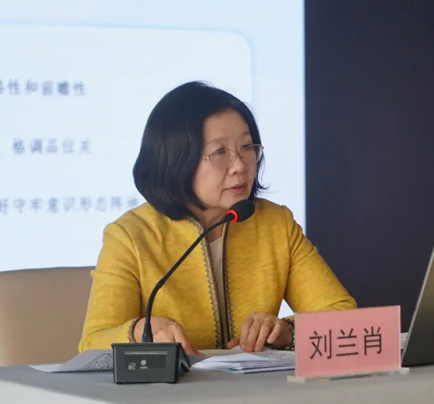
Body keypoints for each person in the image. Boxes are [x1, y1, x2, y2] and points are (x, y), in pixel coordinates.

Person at [78, 81, 356, 355]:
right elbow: (92, 344)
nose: (239, 166)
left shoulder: (275, 224)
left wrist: (287, 332)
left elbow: (344, 318)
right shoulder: (131, 235)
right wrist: (140, 332)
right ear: (176, 159)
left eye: (246, 147)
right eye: (220, 152)